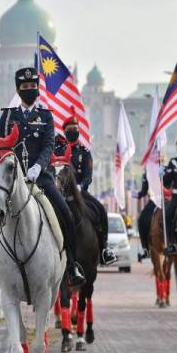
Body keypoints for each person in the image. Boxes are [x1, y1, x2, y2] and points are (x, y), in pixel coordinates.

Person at [0, 67, 86, 291]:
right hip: (10, 179)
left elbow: (49, 145)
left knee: (65, 213)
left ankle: (72, 265)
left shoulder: (45, 116)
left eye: (33, 87)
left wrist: (38, 166)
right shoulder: (8, 116)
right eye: (24, 88)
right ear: (18, 89)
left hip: (39, 178)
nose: (29, 90)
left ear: (38, 88)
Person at [54, 110, 117, 265]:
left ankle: (104, 249)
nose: (72, 132)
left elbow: (88, 174)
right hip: (61, 192)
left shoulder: (85, 151)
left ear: (78, 131)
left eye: (74, 129)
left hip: (80, 192)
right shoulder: (58, 150)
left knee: (100, 210)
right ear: (64, 132)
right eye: (69, 130)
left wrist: (81, 186)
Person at [132, 172, 153, 260]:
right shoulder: (147, 173)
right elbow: (144, 191)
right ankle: (146, 249)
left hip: (167, 198)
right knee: (141, 220)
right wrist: (138, 194)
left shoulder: (167, 168)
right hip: (154, 200)